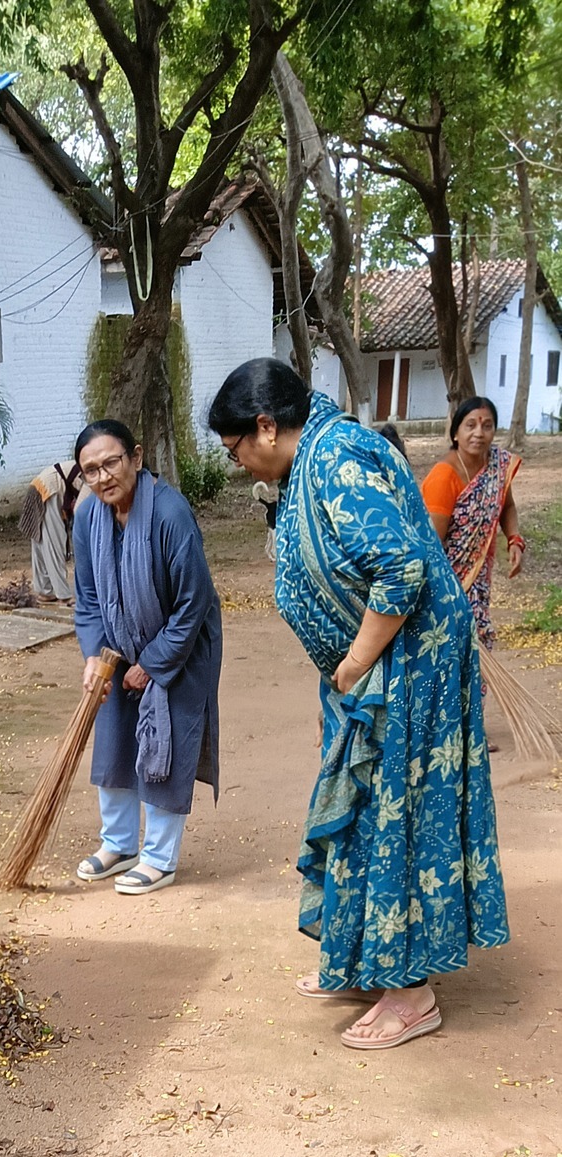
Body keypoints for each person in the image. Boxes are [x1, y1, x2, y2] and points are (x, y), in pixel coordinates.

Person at [208, 359, 509, 1050]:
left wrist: (352, 661)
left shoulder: (334, 453)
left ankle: (410, 992)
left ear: (264, 425)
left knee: (388, 813)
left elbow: (400, 566)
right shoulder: (307, 457)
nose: (239, 466)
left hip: (407, 663)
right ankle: (362, 959)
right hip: (371, 666)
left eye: (237, 451)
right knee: (357, 810)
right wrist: (342, 674)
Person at [71, 420, 222, 895]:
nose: (102, 477)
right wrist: (97, 655)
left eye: (110, 462)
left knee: (165, 746)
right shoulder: (86, 516)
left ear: (135, 457)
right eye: (90, 470)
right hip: (117, 645)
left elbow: (192, 603)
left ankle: (160, 857)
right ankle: (119, 844)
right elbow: (88, 597)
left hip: (182, 645)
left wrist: (153, 663)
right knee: (114, 741)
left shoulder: (170, 514)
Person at [420, 396, 524, 655]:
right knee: (454, 650)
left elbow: (507, 506)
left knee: (473, 650)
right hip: (446, 585)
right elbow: (431, 548)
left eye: (487, 426)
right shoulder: (444, 477)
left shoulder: (497, 467)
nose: (479, 433)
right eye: (471, 425)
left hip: (479, 578)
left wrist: (515, 539)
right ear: (456, 433)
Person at [18, 460, 85, 603]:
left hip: (39, 486)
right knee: (54, 544)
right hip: (50, 490)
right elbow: (81, 508)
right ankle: (64, 595)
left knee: (41, 541)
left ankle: (45, 591)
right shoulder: (93, 476)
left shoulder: (89, 469)